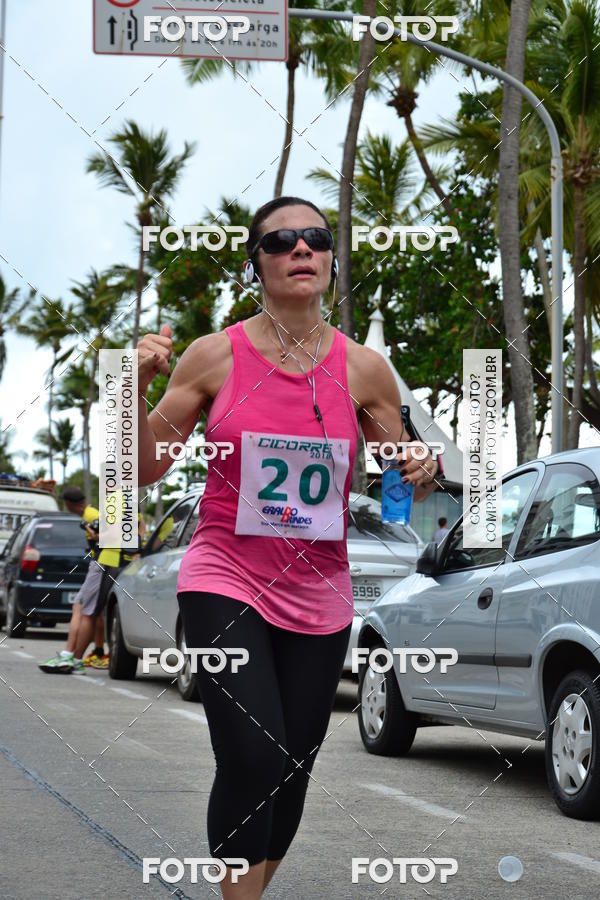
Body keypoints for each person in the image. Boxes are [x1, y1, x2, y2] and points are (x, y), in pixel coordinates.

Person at [136, 197, 441, 899]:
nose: (300, 249)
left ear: (331, 260)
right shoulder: (213, 356)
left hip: (319, 590)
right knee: (251, 751)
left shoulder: (365, 369)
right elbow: (146, 469)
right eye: (281, 242)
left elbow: (401, 471)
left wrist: (420, 466)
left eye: (315, 238)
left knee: (293, 762)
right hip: (225, 572)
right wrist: (136, 387)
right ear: (259, 264)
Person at [38, 487, 135, 673]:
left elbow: (116, 536)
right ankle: (70, 656)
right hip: (102, 561)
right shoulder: (120, 500)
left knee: (88, 612)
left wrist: (96, 535)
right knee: (81, 607)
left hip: (106, 561)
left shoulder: (112, 503)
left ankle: (74, 659)